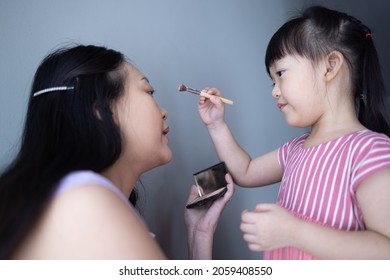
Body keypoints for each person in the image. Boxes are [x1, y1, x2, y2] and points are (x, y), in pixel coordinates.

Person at [0, 44, 234, 259]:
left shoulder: (83, 204)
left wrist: (199, 234)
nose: (164, 112)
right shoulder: (86, 204)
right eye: (149, 92)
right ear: (101, 111)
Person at [197, 6, 390, 259]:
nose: (274, 91)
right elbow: (244, 171)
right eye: (272, 81)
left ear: (330, 66)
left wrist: (295, 233)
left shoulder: (370, 151)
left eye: (280, 74)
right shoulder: (295, 150)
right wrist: (216, 124)